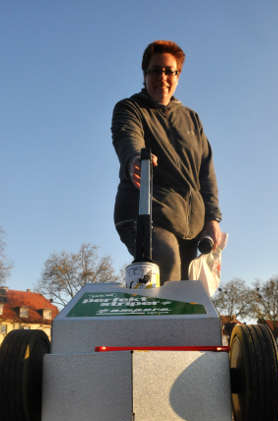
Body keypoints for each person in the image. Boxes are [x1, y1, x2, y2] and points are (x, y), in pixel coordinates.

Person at [112, 40, 222, 284]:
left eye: (169, 71)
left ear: (178, 75)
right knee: (166, 259)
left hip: (189, 223)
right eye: (155, 70)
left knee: (186, 290)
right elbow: (127, 137)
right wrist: (135, 159)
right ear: (145, 74)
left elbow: (206, 171)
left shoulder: (191, 119)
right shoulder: (130, 108)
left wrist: (212, 218)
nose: (162, 76)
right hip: (145, 213)